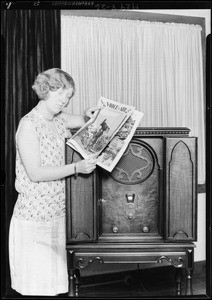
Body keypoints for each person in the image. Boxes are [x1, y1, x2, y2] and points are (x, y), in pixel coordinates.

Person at [8, 68, 100, 296]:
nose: (64, 101)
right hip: (33, 220)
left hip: (57, 215)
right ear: (46, 90)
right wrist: (77, 168)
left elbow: (82, 120)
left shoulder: (59, 120)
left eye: (68, 97)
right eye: (60, 94)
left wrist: (89, 115)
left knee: (54, 288)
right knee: (35, 290)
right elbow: (36, 173)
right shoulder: (29, 125)